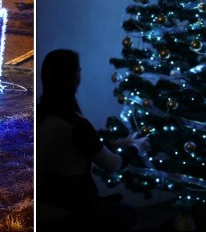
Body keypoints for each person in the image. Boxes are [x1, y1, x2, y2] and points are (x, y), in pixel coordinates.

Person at [37, 49, 150, 231]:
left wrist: (122, 143)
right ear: (73, 77)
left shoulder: (42, 113)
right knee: (128, 214)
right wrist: (137, 148)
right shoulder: (75, 123)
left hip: (46, 195)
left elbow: (76, 147)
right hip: (73, 203)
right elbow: (113, 164)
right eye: (79, 71)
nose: (80, 76)